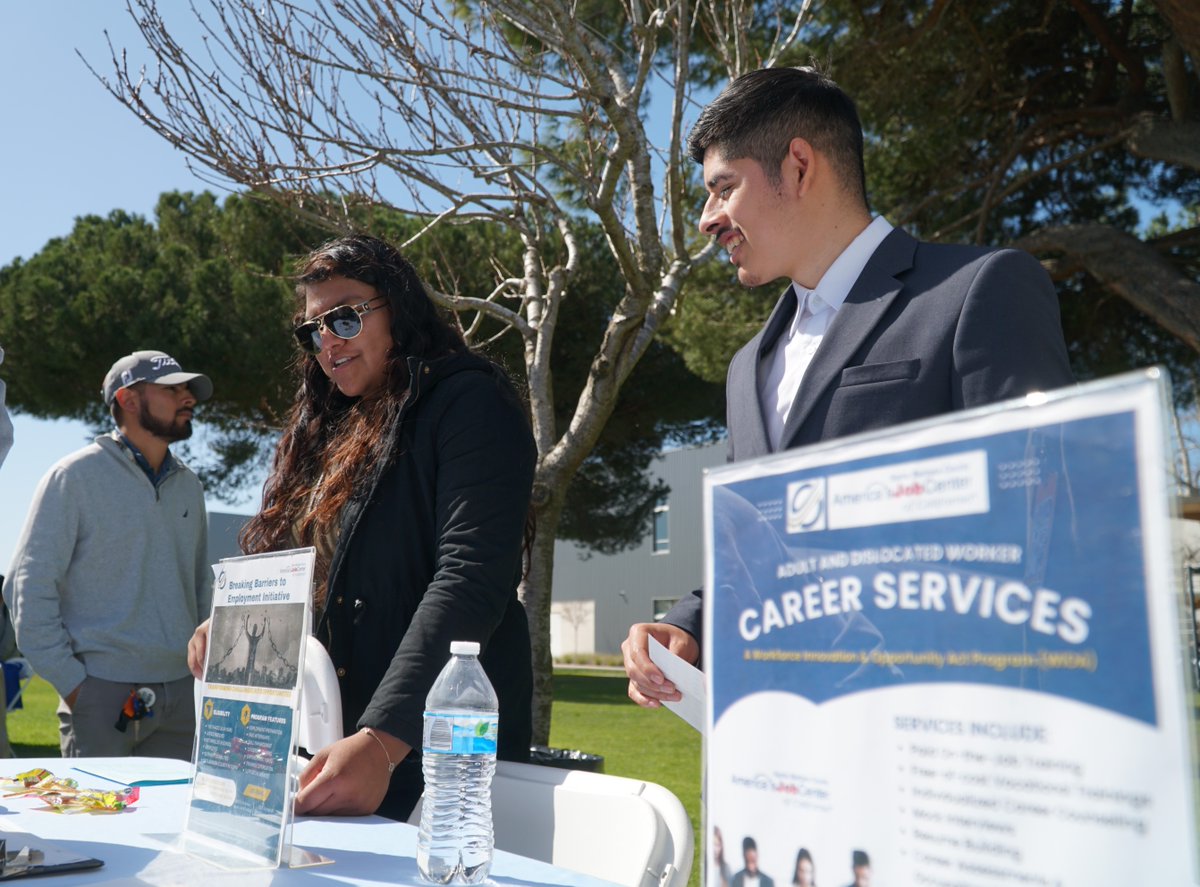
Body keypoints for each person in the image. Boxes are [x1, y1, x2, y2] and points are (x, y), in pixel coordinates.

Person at [622, 65, 1075, 703]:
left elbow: (1043, 532)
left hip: (936, 735)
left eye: (722, 188)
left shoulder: (979, 290)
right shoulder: (746, 366)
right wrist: (687, 625)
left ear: (800, 166)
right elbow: (751, 550)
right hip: (778, 751)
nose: (706, 219)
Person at [187, 234, 536, 821]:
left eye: (344, 318)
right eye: (312, 329)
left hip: (438, 763)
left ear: (397, 307)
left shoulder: (470, 404)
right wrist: (234, 627)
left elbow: (471, 579)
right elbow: (306, 575)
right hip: (335, 747)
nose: (326, 340)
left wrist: (383, 740)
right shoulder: (329, 428)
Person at [3, 350, 213, 759]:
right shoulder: (72, 478)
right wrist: (77, 687)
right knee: (96, 822)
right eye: (173, 389)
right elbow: (28, 589)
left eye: (188, 388)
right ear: (128, 401)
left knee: (176, 824)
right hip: (99, 699)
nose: (188, 397)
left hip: (183, 702)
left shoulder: (190, 486)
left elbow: (201, 588)